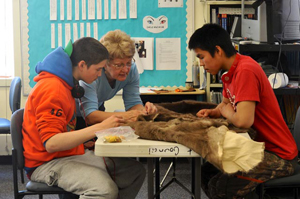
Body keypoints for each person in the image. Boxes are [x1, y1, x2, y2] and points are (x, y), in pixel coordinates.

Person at [22, 37, 146, 199]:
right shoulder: (53, 89)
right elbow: (52, 143)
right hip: (45, 164)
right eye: (98, 69)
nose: (100, 74)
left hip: (65, 154)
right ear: (81, 65)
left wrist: (82, 142)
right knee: (104, 189)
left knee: (134, 172)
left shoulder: (65, 84)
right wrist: (98, 128)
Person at [188, 23, 298, 199]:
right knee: (207, 172)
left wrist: (226, 111)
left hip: (279, 155)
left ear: (218, 50)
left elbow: (243, 121)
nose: (201, 63)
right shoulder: (229, 72)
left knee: (225, 187)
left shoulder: (245, 70)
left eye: (202, 57)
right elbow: (225, 103)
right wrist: (216, 111)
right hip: (257, 148)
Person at [76, 30, 157, 129]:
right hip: (74, 114)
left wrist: (144, 112)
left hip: (97, 108)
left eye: (129, 62)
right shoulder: (92, 73)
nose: (126, 69)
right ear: (105, 63)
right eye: (119, 65)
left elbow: (133, 103)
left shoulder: (132, 69)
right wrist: (126, 115)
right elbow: (90, 116)